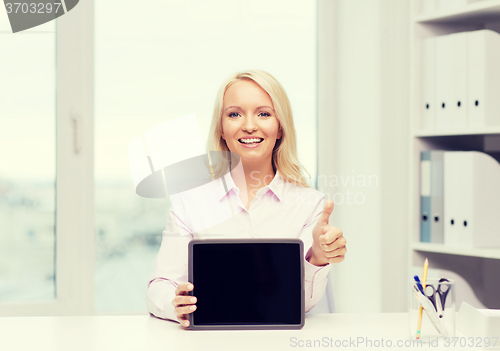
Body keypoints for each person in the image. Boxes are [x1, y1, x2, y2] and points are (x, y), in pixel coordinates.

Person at [146, 69, 347, 327]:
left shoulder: (311, 204)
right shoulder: (189, 202)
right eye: (234, 114)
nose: (249, 125)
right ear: (221, 128)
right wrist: (175, 305)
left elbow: (302, 305)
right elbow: (159, 287)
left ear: (280, 128)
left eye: (264, 113)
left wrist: (317, 257)